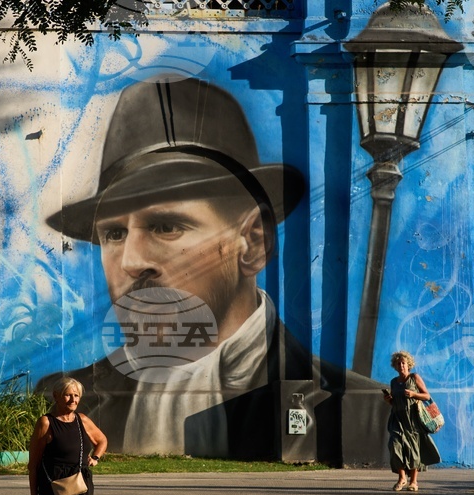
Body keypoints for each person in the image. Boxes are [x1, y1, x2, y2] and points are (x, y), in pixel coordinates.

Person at [40, 77, 383, 461]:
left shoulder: (363, 409)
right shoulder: (58, 398)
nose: (132, 261)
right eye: (114, 233)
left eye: (166, 226)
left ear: (253, 243)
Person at [382, 351, 440, 492]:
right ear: (395, 366)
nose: (401, 365)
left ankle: (413, 482)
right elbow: (396, 402)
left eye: (403, 363)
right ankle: (402, 478)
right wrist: (389, 400)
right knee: (394, 445)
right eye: (398, 363)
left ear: (408, 365)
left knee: (414, 450)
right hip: (397, 419)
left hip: (413, 419)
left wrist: (414, 394)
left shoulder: (414, 378)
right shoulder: (393, 382)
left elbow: (426, 396)